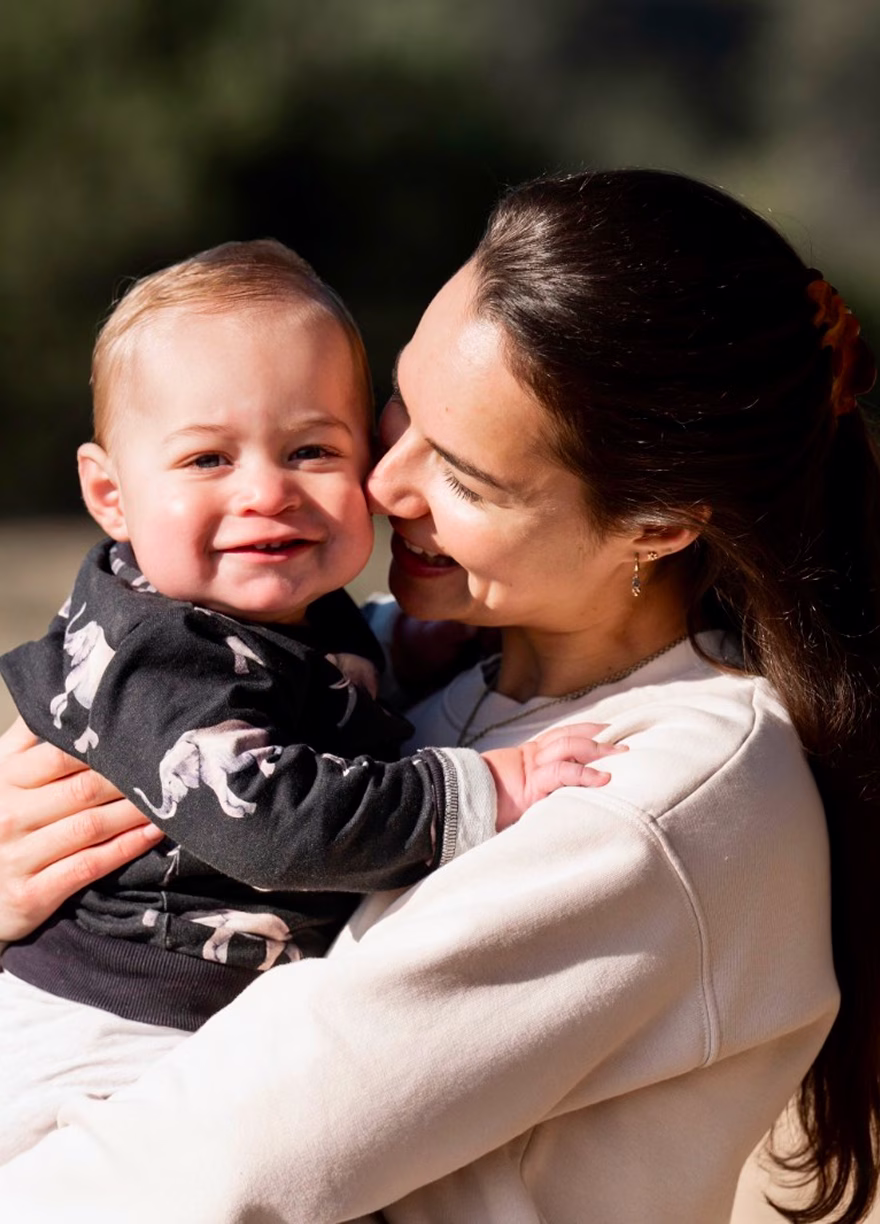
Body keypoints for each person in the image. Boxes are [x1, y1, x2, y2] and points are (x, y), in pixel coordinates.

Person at [0, 167, 878, 1224]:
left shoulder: (647, 800)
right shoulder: (405, 660)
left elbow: (197, 1177)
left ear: (656, 523)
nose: (379, 485)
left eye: (464, 477)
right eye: (398, 412)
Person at [0, 238, 614, 1162]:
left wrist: (414, 642)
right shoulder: (158, 656)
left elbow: (318, 683)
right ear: (110, 495)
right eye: (207, 459)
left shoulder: (282, 608)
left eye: (312, 449)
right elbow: (276, 824)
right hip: (103, 1038)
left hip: (179, 1027)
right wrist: (483, 788)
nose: (267, 493)